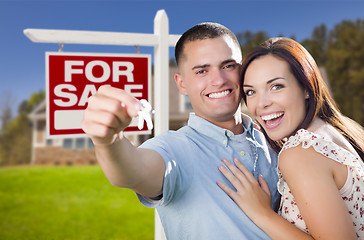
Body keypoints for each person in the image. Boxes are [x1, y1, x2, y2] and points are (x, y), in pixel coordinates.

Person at [82, 22, 280, 239]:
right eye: (202, 71)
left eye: (228, 66)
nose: (219, 80)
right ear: (182, 83)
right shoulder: (174, 148)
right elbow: (133, 171)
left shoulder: (272, 138)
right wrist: (109, 142)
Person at [217, 37, 364, 239]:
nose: (261, 104)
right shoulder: (335, 130)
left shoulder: (301, 152)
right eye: (251, 92)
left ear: (306, 87)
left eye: (276, 86)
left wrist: (263, 214)